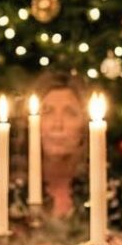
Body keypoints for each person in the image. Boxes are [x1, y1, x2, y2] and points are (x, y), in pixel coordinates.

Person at [32, 73, 86, 220]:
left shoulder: (109, 193)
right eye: (47, 112)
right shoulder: (9, 192)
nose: (57, 125)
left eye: (70, 113)